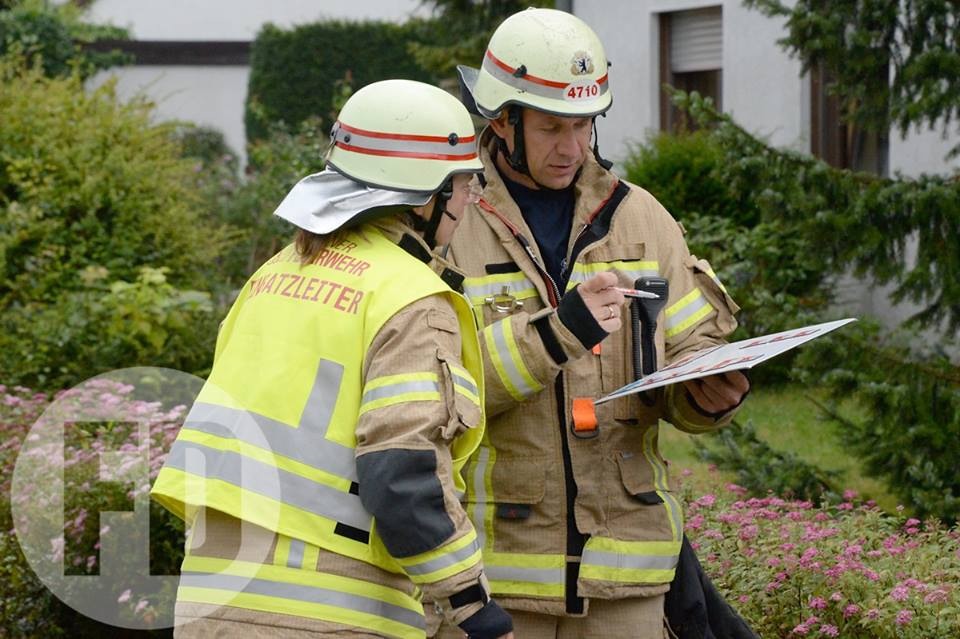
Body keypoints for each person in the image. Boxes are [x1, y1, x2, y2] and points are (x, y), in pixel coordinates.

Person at [151, 79, 514, 639]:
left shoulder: (273, 274)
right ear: (426, 195)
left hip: (209, 601)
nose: (471, 201)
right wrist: (473, 604)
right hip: (329, 613)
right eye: (466, 183)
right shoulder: (408, 298)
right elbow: (401, 475)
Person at [432, 8, 751, 638]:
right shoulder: (450, 223)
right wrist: (556, 333)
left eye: (584, 125)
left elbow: (691, 351)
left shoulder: (640, 219)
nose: (573, 147)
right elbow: (434, 392)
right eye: (552, 127)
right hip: (499, 578)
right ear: (502, 120)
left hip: (626, 574)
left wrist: (709, 395)